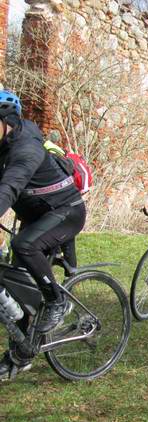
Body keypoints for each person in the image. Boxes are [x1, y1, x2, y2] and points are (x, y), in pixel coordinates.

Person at [0, 90, 87, 379]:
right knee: (18, 285)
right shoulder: (4, 143)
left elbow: (9, 187)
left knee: (23, 245)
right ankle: (21, 354)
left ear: (6, 122)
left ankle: (56, 301)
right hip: (37, 215)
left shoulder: (26, 148)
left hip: (66, 212)